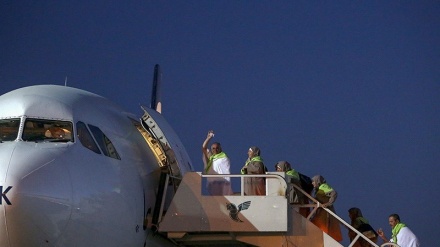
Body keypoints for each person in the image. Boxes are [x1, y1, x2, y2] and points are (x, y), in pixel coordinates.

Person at [310, 175, 343, 242]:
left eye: (313, 181)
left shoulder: (323, 186)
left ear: (317, 181)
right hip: (321, 213)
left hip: (325, 214)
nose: (312, 183)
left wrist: (328, 203)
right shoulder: (318, 189)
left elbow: (334, 193)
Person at [201, 130, 232, 195]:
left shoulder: (224, 157)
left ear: (220, 149)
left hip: (223, 182)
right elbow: (204, 148)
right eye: (213, 148)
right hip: (213, 183)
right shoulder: (211, 158)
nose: (215, 150)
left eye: (217, 148)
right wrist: (208, 138)